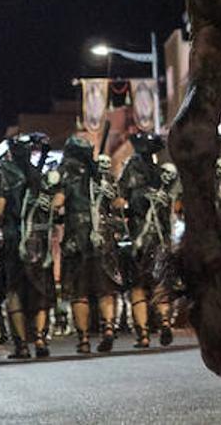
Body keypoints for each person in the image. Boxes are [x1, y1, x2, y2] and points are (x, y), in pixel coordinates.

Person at [56, 137, 125, 354]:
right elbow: (118, 203)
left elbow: (57, 203)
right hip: (102, 237)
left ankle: (84, 339)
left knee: (79, 291)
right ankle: (108, 329)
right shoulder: (102, 175)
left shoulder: (65, 174)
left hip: (77, 237)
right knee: (106, 289)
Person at [0, 132, 56, 359]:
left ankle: (21, 345)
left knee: (14, 292)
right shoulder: (38, 174)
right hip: (37, 241)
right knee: (40, 290)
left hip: (13, 241)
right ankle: (40, 339)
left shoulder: (4, 174)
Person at [119, 133, 181, 348]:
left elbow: (119, 200)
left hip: (139, 236)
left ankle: (143, 334)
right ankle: (164, 322)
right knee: (160, 283)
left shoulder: (131, 171)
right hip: (161, 237)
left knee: (137, 285)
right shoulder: (162, 175)